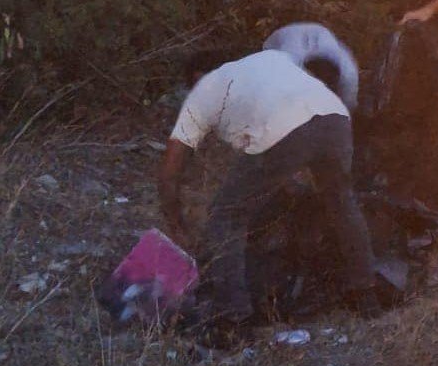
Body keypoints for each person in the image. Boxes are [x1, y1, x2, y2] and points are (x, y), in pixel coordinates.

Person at [157, 50, 381, 329]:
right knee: (341, 203)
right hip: (335, 117)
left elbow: (170, 170)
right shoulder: (270, 59)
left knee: (226, 213)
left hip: (287, 127)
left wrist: (176, 224)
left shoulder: (204, 93)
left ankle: (232, 315)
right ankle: (366, 295)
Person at [263, 22, 360, 111]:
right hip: (278, 42)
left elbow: (348, 108)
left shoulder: (349, 75)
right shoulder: (286, 63)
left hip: (317, 36)